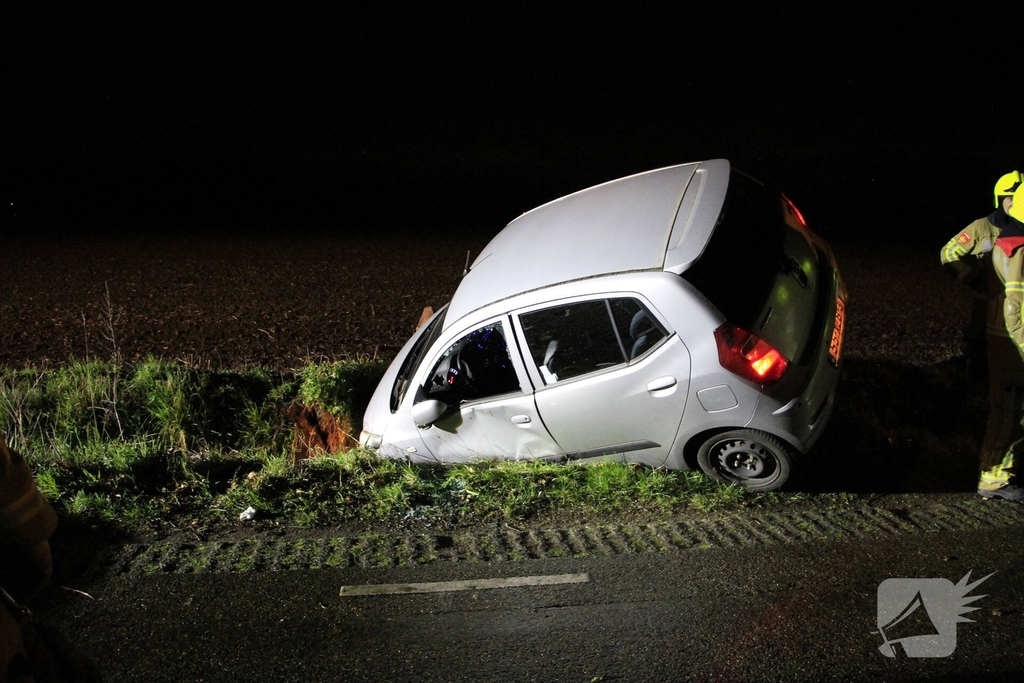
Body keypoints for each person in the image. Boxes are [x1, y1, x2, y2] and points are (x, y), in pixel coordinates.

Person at [940, 171, 1024, 500]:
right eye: (1008, 196)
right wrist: (974, 282)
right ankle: (996, 474)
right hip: (996, 320)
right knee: (1005, 403)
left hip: (1003, 321)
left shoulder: (1012, 235)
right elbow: (949, 254)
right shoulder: (984, 229)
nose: (1011, 201)